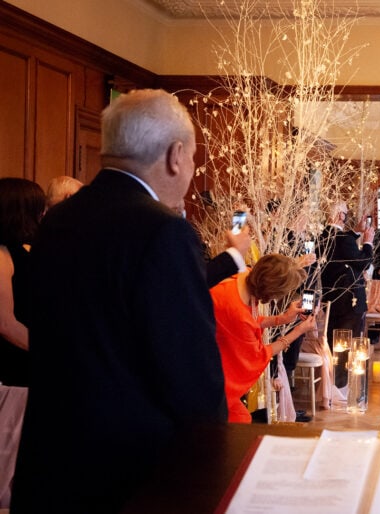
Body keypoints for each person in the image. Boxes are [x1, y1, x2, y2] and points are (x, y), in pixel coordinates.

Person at [12, 89, 227, 514]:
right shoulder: (164, 231)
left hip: (51, 462)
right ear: (175, 154)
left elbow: (34, 318)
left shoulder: (56, 220)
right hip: (134, 476)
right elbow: (193, 379)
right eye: (193, 158)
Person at [210, 254, 316, 423]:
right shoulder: (237, 313)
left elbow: (252, 320)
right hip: (211, 375)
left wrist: (282, 318)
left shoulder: (247, 275)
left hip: (214, 360)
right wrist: (297, 331)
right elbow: (258, 355)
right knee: (240, 423)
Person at [317, 201, 374, 387]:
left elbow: (342, 246)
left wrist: (355, 233)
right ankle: (343, 385)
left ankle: (336, 384)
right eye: (345, 214)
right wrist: (368, 243)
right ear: (340, 216)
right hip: (350, 302)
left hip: (332, 299)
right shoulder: (343, 240)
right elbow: (363, 262)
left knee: (336, 343)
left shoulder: (321, 237)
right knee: (347, 345)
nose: (346, 217)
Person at [0, 178, 45, 387]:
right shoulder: (1, 256)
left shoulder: (24, 249)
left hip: (27, 365)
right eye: (38, 208)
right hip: (12, 371)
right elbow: (5, 323)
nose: (43, 214)